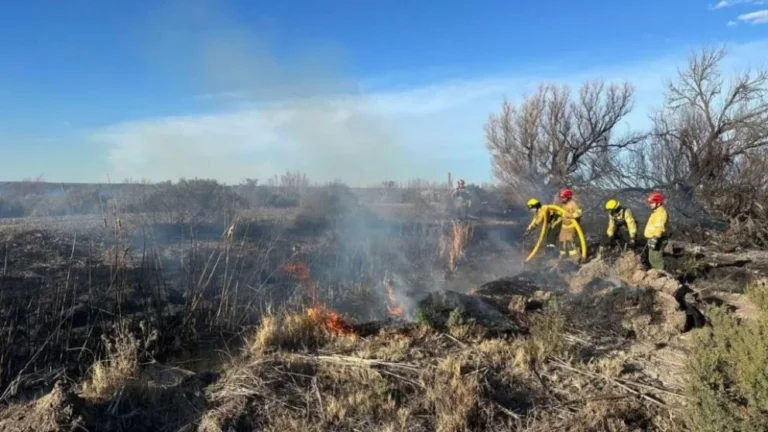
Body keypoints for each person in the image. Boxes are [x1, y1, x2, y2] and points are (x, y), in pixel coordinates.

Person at [644, 192, 668, 270]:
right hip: (652, 238)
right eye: (649, 202)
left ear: (658, 203)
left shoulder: (661, 213)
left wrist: (655, 238)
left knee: (656, 259)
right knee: (651, 259)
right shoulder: (656, 212)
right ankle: (656, 275)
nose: (650, 204)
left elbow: (659, 227)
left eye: (652, 202)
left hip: (658, 239)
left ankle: (662, 276)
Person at [557, 188, 582, 261]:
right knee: (562, 242)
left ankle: (575, 258)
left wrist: (571, 216)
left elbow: (579, 213)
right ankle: (563, 256)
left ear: (568, 197)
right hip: (564, 227)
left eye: (563, 197)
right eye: (561, 197)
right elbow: (560, 213)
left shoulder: (573, 204)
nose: (562, 199)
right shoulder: (562, 204)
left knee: (569, 242)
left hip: (571, 226)